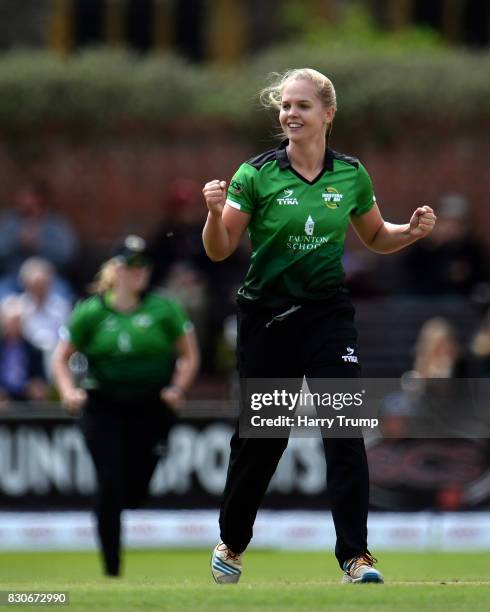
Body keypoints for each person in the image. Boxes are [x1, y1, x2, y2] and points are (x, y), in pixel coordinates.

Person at [202, 68, 436, 585]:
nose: (290, 114)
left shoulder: (351, 174)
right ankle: (232, 543)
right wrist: (215, 213)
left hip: (328, 316)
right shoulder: (255, 174)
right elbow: (219, 249)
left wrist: (409, 232)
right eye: (285, 106)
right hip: (267, 319)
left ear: (328, 114)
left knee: (344, 432)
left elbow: (375, 235)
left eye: (302, 106)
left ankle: (355, 557)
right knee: (264, 440)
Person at [52, 235, 200, 577]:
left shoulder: (164, 308)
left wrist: (177, 388)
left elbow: (189, 355)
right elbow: (61, 359)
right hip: (103, 405)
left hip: (150, 406)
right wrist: (68, 392)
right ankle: (112, 569)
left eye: (143, 266)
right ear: (115, 269)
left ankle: (128, 502)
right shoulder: (90, 312)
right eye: (131, 266)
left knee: (135, 492)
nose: (138, 273)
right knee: (109, 481)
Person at [0, 295, 48, 406]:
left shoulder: (35, 351)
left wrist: (37, 387)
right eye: (11, 322)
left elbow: (41, 378)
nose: (14, 326)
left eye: (18, 322)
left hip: (27, 402)